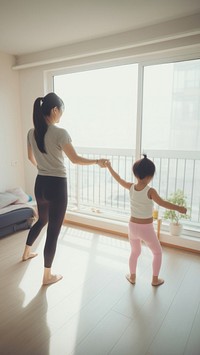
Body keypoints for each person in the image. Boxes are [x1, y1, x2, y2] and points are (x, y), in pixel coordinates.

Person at [22, 92, 108, 285]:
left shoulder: (31, 132)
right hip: (57, 185)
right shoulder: (60, 133)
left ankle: (26, 253)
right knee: (53, 231)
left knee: (41, 220)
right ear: (54, 110)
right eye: (61, 111)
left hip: (40, 183)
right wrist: (97, 161)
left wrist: (43, 167)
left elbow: (30, 158)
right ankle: (47, 276)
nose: (61, 115)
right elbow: (75, 160)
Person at [105, 155, 187, 286]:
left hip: (132, 227)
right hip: (146, 229)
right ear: (150, 176)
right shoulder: (150, 191)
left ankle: (132, 277)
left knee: (135, 252)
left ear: (135, 174)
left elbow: (118, 178)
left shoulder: (130, 186)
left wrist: (109, 166)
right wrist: (178, 208)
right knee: (157, 252)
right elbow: (163, 203)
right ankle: (155, 280)